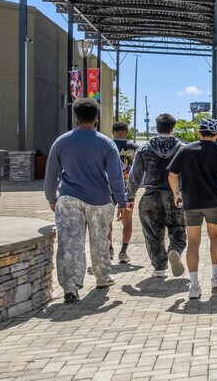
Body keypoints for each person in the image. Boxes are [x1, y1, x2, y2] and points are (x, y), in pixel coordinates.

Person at [44, 98, 128, 302]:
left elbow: (51, 173)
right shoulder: (106, 143)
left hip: (69, 198)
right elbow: (116, 177)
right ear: (96, 118)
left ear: (76, 117)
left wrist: (51, 197)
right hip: (99, 199)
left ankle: (70, 286)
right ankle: (102, 277)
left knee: (70, 243)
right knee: (100, 240)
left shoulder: (62, 141)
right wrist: (122, 202)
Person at [167, 118, 217, 300]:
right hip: (213, 201)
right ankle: (215, 278)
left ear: (199, 133)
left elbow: (172, 175)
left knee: (193, 242)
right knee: (215, 238)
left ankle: (195, 285)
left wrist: (176, 194)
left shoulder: (185, 150)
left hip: (191, 202)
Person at [128, 113, 186, 279]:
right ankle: (175, 249)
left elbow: (135, 176)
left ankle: (159, 268)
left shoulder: (144, 149)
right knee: (178, 228)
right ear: (173, 128)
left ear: (156, 128)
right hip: (175, 195)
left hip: (150, 195)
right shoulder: (182, 148)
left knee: (153, 233)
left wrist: (130, 197)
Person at [110, 122, 139, 263]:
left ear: (113, 132)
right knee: (127, 222)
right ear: (126, 132)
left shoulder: (107, 144)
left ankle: (109, 248)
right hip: (128, 189)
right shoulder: (135, 148)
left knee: (106, 221)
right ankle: (123, 251)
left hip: (108, 188)